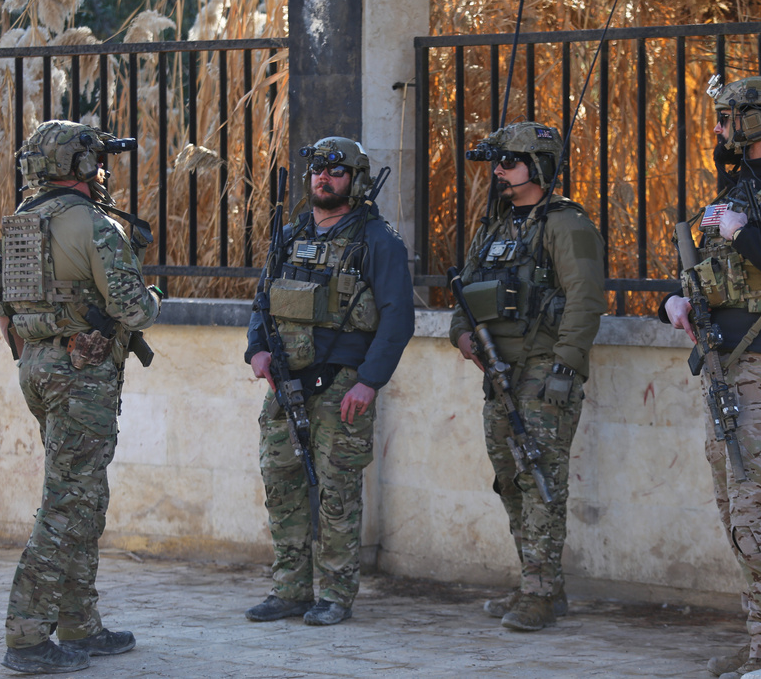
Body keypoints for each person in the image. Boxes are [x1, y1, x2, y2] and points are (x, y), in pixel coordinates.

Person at [660, 76, 761, 678]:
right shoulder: (734, 192)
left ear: (757, 122)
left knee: (759, 518)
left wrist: (744, 234)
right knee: (739, 518)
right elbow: (701, 274)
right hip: (724, 374)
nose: (719, 129)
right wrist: (672, 304)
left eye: (728, 118)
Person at [0, 120, 161, 674]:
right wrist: (154, 297)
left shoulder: (20, 223)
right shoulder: (94, 224)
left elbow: (2, 312)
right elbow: (135, 310)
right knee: (67, 504)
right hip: (81, 376)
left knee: (84, 495)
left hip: (38, 367)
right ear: (84, 167)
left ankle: (79, 623)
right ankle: (28, 636)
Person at [244, 137, 414, 626]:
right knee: (282, 485)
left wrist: (369, 382)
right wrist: (256, 350)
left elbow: (398, 319)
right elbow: (263, 302)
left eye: (336, 172)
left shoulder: (377, 242)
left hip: (343, 385)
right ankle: (290, 589)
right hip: (286, 384)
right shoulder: (292, 234)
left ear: (355, 180)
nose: (325, 177)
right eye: (318, 169)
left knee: (336, 493)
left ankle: (336, 593)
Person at [449, 121, 606, 632]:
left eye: (510, 162)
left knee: (541, 479)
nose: (498, 171)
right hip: (499, 370)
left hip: (544, 370)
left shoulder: (566, 225)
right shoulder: (492, 227)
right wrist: (461, 335)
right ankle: (539, 584)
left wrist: (564, 367)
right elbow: (465, 290)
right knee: (511, 480)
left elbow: (585, 299)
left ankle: (538, 593)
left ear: (537, 168)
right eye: (497, 162)